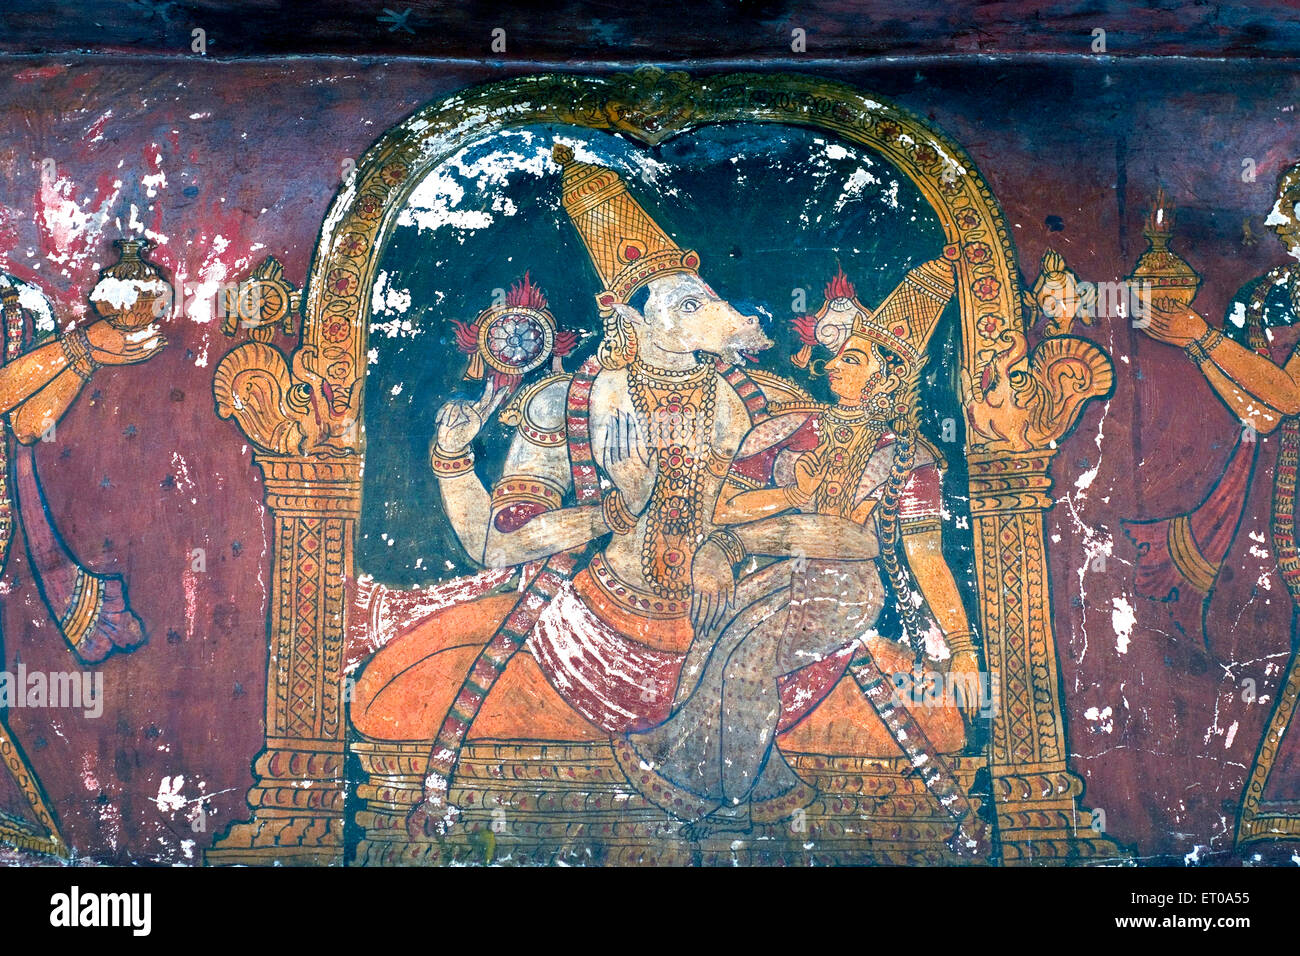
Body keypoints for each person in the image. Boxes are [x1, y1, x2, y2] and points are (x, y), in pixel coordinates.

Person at [615, 263, 984, 843]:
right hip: (776, 571)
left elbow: (924, 556)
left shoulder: (909, 456)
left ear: (889, 377)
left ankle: (719, 802)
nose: (833, 366)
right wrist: (778, 501)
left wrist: (961, 648)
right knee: (709, 639)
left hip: (844, 588)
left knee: (748, 657)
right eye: (836, 357)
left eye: (854, 358)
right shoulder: (793, 428)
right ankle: (743, 791)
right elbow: (724, 508)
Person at [1134, 161, 1300, 848]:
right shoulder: (1271, 296)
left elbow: (1291, 396)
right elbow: (1261, 415)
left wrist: (1202, 337)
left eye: (1290, 204)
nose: (1274, 221)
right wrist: (1195, 346)